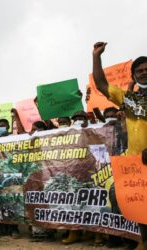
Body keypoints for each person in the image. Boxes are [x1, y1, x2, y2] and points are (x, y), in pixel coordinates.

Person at [92, 41, 147, 249]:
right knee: (140, 205)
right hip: (137, 164)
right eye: (139, 71)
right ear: (133, 76)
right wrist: (96, 56)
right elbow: (101, 85)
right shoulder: (128, 100)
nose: (143, 73)